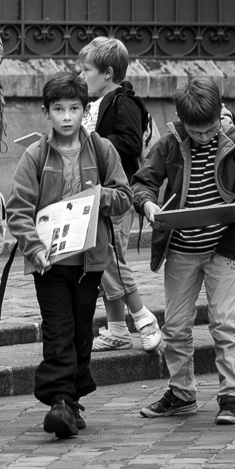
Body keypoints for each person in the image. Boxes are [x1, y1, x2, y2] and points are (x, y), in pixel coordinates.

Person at [7, 71, 132, 438]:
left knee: (81, 332)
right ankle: (59, 401)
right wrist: (34, 247)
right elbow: (18, 209)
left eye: (74, 108)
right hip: (49, 262)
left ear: (84, 110)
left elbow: (124, 196)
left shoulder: (102, 149)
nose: (66, 116)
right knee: (58, 330)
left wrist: (99, 196)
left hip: (88, 261)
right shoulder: (35, 155)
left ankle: (73, 399)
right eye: (58, 109)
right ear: (46, 112)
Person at [133, 77, 235, 425]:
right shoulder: (170, 144)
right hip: (182, 249)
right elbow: (144, 181)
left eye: (210, 129)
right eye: (195, 131)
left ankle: (232, 396)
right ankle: (182, 393)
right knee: (174, 326)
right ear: (180, 120)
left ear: (221, 114)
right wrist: (148, 206)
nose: (203, 137)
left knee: (224, 323)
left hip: (223, 249)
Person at [78, 37, 163, 352]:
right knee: (100, 261)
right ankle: (116, 329)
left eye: (87, 70)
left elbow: (129, 143)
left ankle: (143, 318)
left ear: (108, 73)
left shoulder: (122, 102)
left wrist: (90, 140)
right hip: (93, 194)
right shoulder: (97, 102)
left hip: (115, 193)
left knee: (111, 259)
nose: (82, 76)